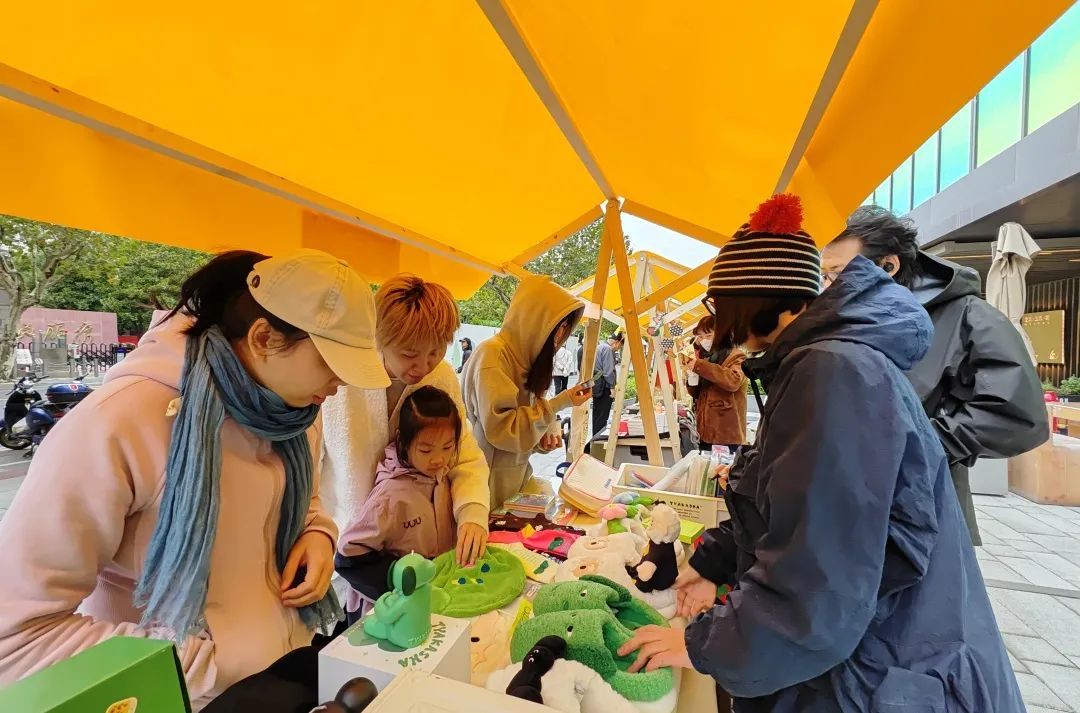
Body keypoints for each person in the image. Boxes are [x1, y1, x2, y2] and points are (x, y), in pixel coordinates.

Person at [619, 195, 1022, 711]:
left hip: (873, 670)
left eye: (724, 306)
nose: (723, 324)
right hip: (868, 653)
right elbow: (784, 502)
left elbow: (816, 574)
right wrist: (713, 563)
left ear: (762, 299)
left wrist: (705, 646)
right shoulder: (825, 361)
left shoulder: (831, 372)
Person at [0, 249, 389, 709]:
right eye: (332, 362)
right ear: (264, 338)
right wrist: (201, 663)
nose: (342, 383)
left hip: (285, 678)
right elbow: (18, 636)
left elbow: (303, 505)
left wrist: (319, 534)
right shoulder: (119, 423)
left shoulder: (295, 416)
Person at [821, 206, 1048, 545]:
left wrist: (916, 447)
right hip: (845, 506)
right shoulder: (846, 321)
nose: (829, 287)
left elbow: (1017, 415)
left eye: (839, 273)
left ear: (888, 265)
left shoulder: (968, 316)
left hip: (922, 512)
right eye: (824, 276)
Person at [321, 274, 490, 570]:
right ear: (379, 339)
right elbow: (314, 463)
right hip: (352, 546)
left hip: (422, 545)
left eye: (435, 352)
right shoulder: (345, 378)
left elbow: (462, 451)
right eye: (409, 354)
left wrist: (472, 512)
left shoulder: (442, 376)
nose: (423, 367)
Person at [336, 386, 464, 624]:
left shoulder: (440, 476)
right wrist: (399, 578)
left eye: (447, 447)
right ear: (403, 442)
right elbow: (348, 555)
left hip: (428, 598)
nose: (438, 459)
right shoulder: (390, 495)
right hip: (387, 610)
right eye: (426, 449)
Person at [462, 276, 592, 509]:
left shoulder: (525, 359)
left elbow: (519, 434)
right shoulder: (494, 355)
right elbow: (503, 430)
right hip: (487, 486)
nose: (560, 335)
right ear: (535, 320)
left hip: (514, 483)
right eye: (559, 326)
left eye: (565, 327)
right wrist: (558, 403)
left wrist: (541, 439)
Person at [684, 314, 747, 453]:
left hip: (727, 434)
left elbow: (733, 381)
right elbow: (697, 394)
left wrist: (700, 366)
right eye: (700, 337)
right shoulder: (706, 358)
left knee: (726, 466)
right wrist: (692, 379)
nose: (704, 340)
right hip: (705, 432)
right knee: (707, 465)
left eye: (708, 335)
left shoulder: (736, 355)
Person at [591, 332, 624, 436]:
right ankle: (598, 439)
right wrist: (612, 387)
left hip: (596, 385)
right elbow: (608, 371)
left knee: (597, 415)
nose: (618, 349)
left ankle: (595, 438)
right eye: (620, 346)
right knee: (602, 416)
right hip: (604, 387)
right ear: (617, 342)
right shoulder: (608, 349)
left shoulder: (600, 347)